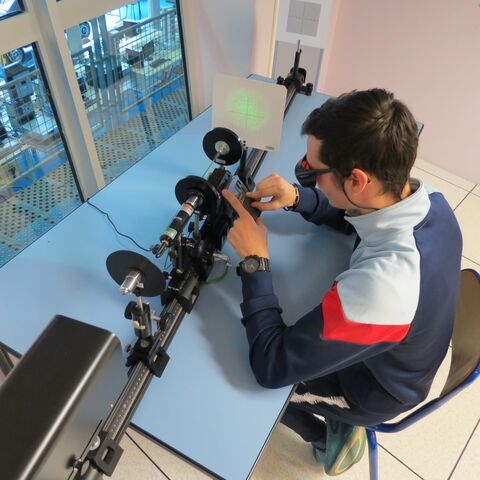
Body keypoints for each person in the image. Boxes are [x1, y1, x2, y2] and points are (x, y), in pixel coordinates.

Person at [221, 88, 463, 476]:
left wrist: (255, 262)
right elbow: (360, 218)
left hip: (372, 390)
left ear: (357, 180)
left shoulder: (383, 288)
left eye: (312, 172)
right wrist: (298, 197)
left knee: (249, 389)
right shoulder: (431, 202)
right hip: (406, 348)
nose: (305, 175)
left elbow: (272, 365)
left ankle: (328, 439)